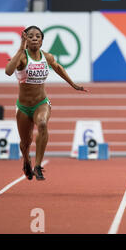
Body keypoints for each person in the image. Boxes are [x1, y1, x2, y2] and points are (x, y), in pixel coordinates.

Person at [5, 26, 87, 180]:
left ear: (42, 41)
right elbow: (8, 71)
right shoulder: (21, 57)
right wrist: (20, 47)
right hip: (23, 107)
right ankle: (26, 160)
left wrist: (74, 85)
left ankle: (37, 165)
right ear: (26, 40)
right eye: (30, 36)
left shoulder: (47, 57)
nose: (34, 38)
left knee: (42, 123)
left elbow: (58, 68)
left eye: (37, 36)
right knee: (25, 142)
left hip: (41, 103)